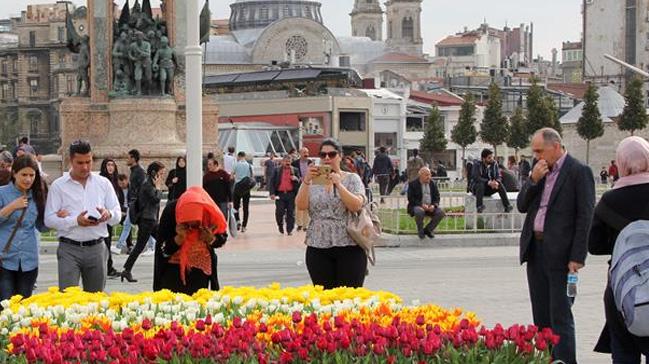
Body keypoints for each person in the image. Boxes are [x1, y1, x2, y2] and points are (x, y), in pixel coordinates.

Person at [517, 128, 595, 364]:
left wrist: (578, 256)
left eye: (540, 150)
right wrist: (532, 181)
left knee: (560, 315)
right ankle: (548, 360)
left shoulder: (578, 172)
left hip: (562, 255)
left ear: (556, 146)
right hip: (536, 250)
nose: (537, 156)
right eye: (534, 151)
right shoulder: (539, 171)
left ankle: (566, 361)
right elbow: (521, 205)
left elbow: (585, 216)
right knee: (541, 317)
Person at [589, 136, 649, 363]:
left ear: (621, 162)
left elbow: (594, 246)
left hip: (622, 288)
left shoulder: (610, 200)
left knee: (623, 350)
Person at [45, 140, 122, 292]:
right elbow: (49, 220)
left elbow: (117, 214)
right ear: (70, 161)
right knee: (68, 299)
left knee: (95, 300)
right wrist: (75, 221)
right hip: (69, 248)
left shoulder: (103, 183)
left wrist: (108, 214)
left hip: (97, 247)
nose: (85, 167)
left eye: (88, 161)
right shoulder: (59, 186)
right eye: (79, 163)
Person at [295, 138, 366, 289]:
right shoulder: (312, 180)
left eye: (332, 154)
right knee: (324, 299)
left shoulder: (352, 178)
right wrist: (306, 180)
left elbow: (356, 205)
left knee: (349, 298)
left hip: (349, 245)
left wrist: (339, 184)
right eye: (323, 155)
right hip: (317, 245)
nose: (327, 158)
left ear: (340, 156)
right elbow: (301, 205)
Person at [154, 187, 227, 294]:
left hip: (200, 271)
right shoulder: (171, 212)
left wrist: (211, 239)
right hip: (173, 271)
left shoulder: (209, 211)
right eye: (187, 225)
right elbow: (162, 251)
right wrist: (178, 239)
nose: (192, 228)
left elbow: (222, 238)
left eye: (196, 225)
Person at [0, 155, 47, 302]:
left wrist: (58, 216)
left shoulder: (39, 194)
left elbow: (43, 227)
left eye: (31, 175)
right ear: (14, 173)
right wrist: (12, 206)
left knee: (23, 307)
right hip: (4, 260)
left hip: (29, 260)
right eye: (24, 175)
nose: (28, 179)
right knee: (6, 307)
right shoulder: (2, 193)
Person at [121, 161, 165, 283]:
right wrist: (158, 188)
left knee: (163, 243)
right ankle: (126, 270)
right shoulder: (147, 185)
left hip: (152, 221)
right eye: (160, 174)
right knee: (140, 246)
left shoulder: (150, 184)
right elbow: (156, 199)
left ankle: (127, 269)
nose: (162, 177)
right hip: (147, 221)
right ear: (154, 173)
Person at [126, 149, 154, 254]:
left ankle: (150, 245)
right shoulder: (134, 170)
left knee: (134, 225)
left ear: (133, 158)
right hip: (134, 203)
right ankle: (150, 245)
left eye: (128, 157)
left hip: (137, 203)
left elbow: (142, 187)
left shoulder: (139, 171)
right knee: (139, 226)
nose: (127, 160)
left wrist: (138, 202)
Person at [99, 159, 124, 278]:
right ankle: (106, 267)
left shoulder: (114, 180)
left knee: (108, 242)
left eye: (112, 165)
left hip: (112, 214)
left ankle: (108, 266)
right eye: (108, 165)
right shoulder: (101, 180)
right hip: (103, 215)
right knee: (105, 243)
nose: (110, 167)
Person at [407, 167, 445, 239]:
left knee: (441, 212)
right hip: (418, 206)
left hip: (430, 207)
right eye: (426, 175)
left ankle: (428, 230)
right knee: (419, 211)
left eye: (429, 175)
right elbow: (411, 199)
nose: (429, 177)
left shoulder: (433, 183)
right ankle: (420, 231)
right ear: (420, 175)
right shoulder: (413, 184)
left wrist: (434, 205)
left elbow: (437, 197)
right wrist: (421, 205)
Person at [470, 149, 513, 213]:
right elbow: (476, 177)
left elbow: (498, 176)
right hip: (477, 188)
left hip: (489, 187)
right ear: (483, 158)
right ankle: (479, 206)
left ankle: (507, 206)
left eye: (492, 157)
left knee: (499, 184)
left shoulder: (494, 164)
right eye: (489, 158)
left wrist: (496, 182)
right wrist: (488, 182)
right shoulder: (477, 164)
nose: (491, 159)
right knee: (480, 184)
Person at [269, 155, 300, 235]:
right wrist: (272, 193)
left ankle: (289, 229)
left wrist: (296, 178)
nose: (288, 163)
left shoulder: (295, 170)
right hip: (280, 194)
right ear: (282, 162)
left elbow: (299, 181)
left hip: (291, 194)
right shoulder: (277, 170)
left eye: (289, 161)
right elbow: (272, 182)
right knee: (279, 212)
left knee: (291, 213)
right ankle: (280, 225)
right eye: (286, 161)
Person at [292, 148, 313, 231]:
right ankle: (299, 224)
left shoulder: (311, 163)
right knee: (298, 204)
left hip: (308, 185)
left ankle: (306, 225)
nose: (306, 154)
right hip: (298, 186)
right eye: (304, 152)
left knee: (307, 205)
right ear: (300, 153)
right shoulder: (294, 163)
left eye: (307, 152)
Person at [232, 152, 253, 233]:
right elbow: (251, 177)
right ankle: (244, 226)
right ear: (244, 156)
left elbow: (231, 175)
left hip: (237, 187)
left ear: (239, 156)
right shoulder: (249, 165)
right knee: (246, 208)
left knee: (235, 207)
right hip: (246, 189)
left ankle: (238, 221)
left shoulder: (235, 164)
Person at [113, 174, 133, 255]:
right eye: (120, 183)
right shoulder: (117, 190)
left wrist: (128, 211)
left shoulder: (132, 188)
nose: (122, 185)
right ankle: (128, 245)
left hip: (131, 210)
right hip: (121, 211)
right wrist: (123, 211)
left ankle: (123, 245)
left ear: (127, 181)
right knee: (127, 226)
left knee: (127, 225)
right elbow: (117, 203)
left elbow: (132, 201)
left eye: (123, 183)